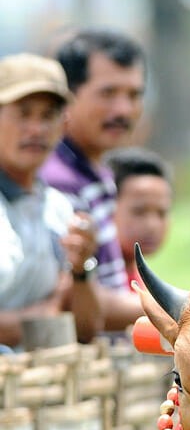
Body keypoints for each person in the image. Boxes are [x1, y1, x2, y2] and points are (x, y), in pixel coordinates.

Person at [40, 27, 147, 333]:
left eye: (134, 95)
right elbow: (70, 298)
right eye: (108, 93)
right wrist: (177, 306)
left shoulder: (96, 171)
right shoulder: (57, 181)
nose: (123, 110)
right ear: (66, 97)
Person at [0, 53, 101, 348]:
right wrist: (52, 309)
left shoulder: (59, 209)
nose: (36, 129)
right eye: (23, 113)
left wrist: (81, 269)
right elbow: (59, 317)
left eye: (48, 116)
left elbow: (86, 328)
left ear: (64, 124)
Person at [105, 146, 173, 287]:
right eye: (139, 212)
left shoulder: (138, 281)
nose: (152, 225)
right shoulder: (89, 280)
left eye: (161, 213)